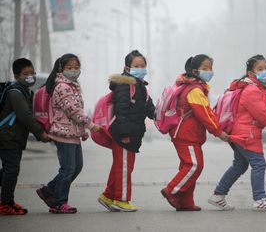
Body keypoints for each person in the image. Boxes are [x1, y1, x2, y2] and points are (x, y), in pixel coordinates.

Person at [208, 55, 266, 212]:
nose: (265, 71)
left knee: (240, 165)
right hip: (246, 134)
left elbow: (264, 112)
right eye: (260, 69)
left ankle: (218, 195)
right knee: (259, 164)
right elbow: (263, 115)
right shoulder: (252, 90)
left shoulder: (257, 88)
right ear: (251, 73)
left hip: (242, 132)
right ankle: (259, 199)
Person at [161, 54, 229, 211]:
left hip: (188, 134)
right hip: (186, 134)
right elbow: (204, 114)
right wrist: (218, 132)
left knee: (189, 166)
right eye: (205, 68)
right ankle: (171, 190)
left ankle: (185, 202)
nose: (209, 71)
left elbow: (206, 113)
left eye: (210, 68)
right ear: (194, 71)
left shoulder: (196, 88)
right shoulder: (195, 90)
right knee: (194, 165)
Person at [36, 54, 101, 214]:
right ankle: (59, 202)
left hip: (72, 133)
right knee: (68, 169)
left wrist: (82, 131)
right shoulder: (62, 86)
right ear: (61, 69)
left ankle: (49, 190)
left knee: (76, 167)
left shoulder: (73, 85)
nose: (73, 71)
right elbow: (73, 111)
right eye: (69, 68)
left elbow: (74, 113)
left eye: (76, 67)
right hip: (62, 133)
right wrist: (90, 125)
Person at [98, 50, 155, 212]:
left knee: (120, 166)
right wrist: (124, 134)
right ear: (127, 68)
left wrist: (161, 116)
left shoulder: (140, 87)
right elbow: (121, 110)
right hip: (123, 133)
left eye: (143, 65)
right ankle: (121, 200)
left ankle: (108, 196)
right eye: (136, 65)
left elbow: (149, 108)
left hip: (132, 133)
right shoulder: (125, 85)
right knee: (124, 168)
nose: (140, 68)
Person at [0, 58, 50, 215]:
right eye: (26, 74)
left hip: (15, 137)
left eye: (32, 73)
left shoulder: (26, 91)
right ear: (16, 76)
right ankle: (5, 203)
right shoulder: (15, 93)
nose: (30, 76)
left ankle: (7, 202)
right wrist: (40, 133)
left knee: (10, 170)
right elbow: (25, 116)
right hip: (7, 137)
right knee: (11, 170)